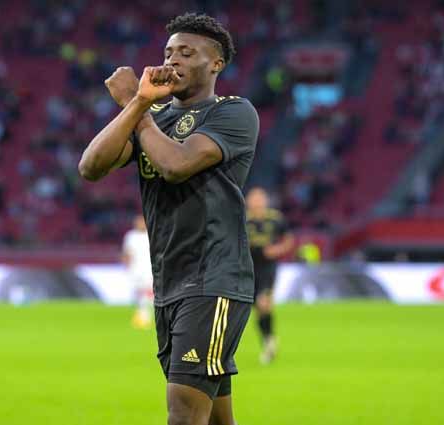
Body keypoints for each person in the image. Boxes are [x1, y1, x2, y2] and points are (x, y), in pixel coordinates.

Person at [78, 12, 259, 425]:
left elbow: (176, 164)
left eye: (186, 52)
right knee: (214, 418)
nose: (171, 60)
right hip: (170, 282)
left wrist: (135, 108)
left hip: (213, 277)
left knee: (182, 411)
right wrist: (140, 103)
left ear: (216, 64)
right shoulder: (154, 120)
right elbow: (90, 167)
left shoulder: (234, 113)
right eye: (167, 52)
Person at [245, 187, 293, 364]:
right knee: (257, 310)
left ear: (265, 200)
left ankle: (269, 341)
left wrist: (277, 250)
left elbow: (288, 240)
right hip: (248, 269)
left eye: (260, 198)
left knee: (263, 303)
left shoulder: (275, 219)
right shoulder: (243, 219)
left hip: (268, 269)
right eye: (253, 199)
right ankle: (268, 339)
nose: (256, 202)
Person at [122, 215, 154, 329]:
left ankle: (144, 316)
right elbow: (127, 253)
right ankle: (142, 314)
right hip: (135, 269)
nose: (140, 224)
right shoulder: (131, 236)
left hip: (148, 268)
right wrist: (126, 265)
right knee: (138, 293)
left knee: (148, 292)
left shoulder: (151, 235)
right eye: (138, 222)